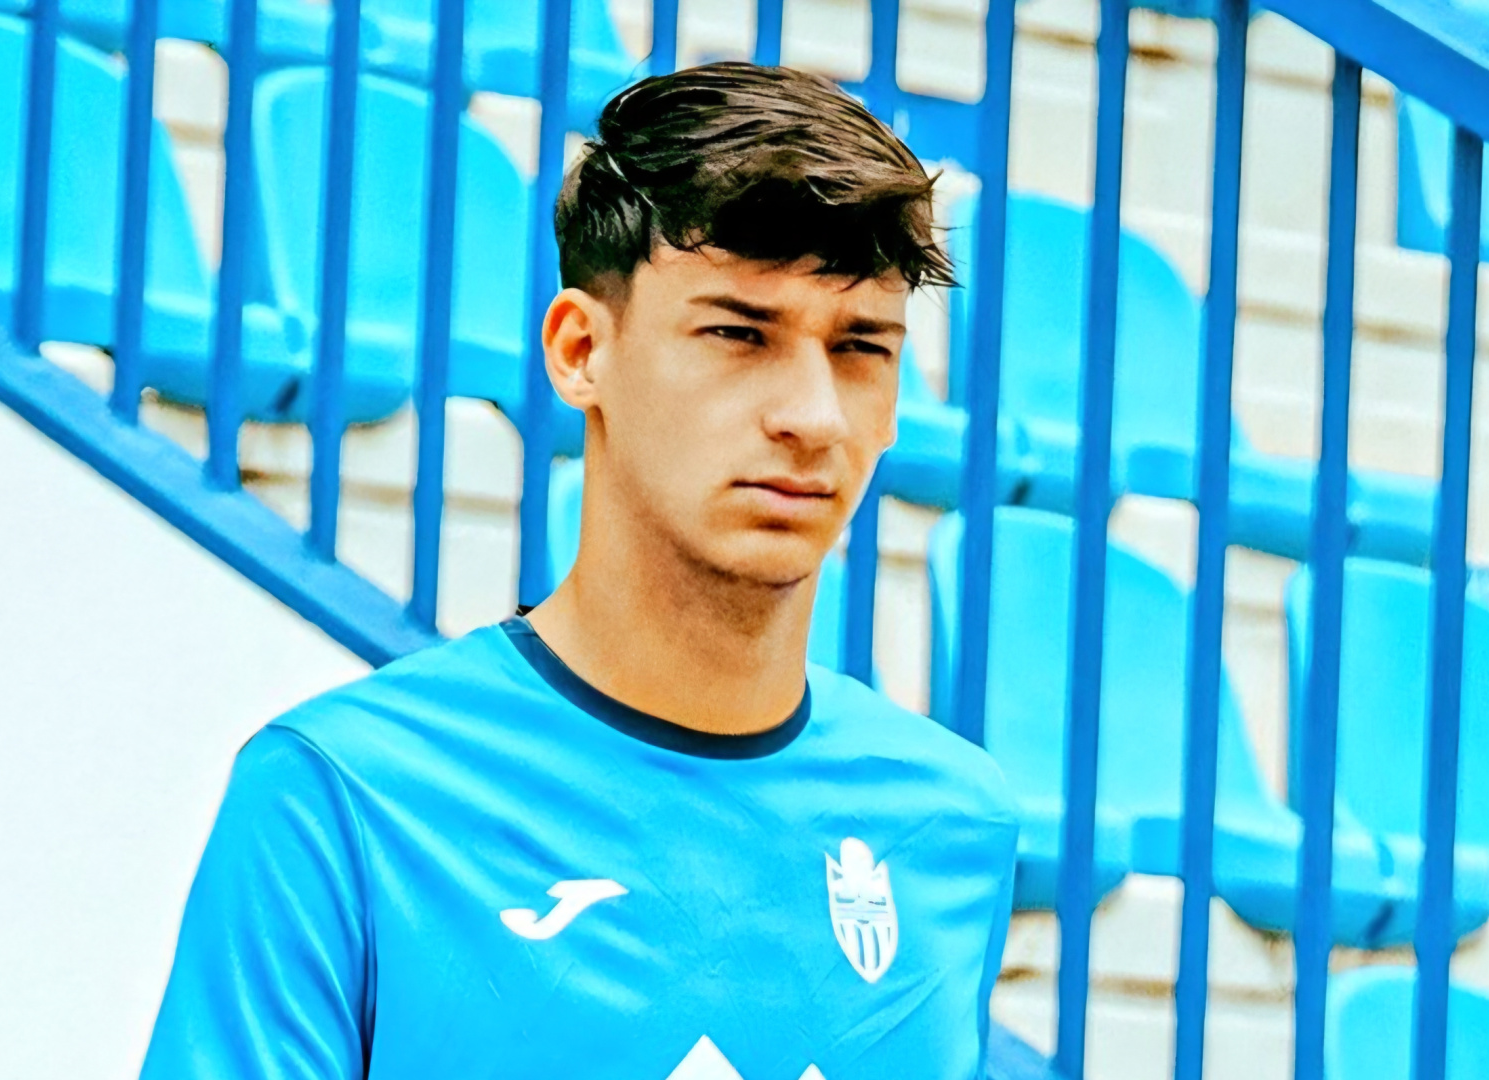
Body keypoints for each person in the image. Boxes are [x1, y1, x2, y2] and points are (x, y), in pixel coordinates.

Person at [139, 63, 1022, 1080]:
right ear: (579, 349)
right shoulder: (345, 794)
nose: (813, 416)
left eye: (861, 347)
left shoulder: (952, 821)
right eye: (740, 334)